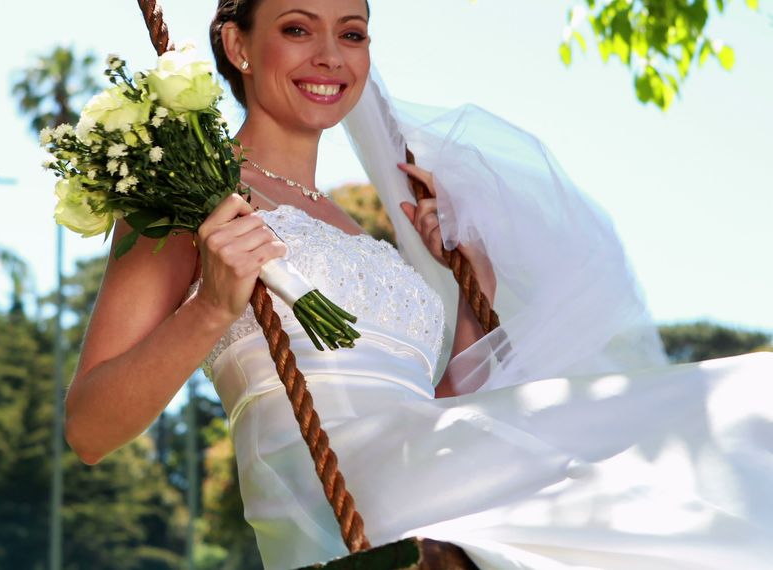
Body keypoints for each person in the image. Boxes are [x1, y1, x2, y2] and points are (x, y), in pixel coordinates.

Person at [64, 0, 773, 568]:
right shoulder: (192, 197)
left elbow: (434, 406)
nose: (330, 57)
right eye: (297, 29)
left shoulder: (362, 234)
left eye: (353, 33)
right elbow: (89, 429)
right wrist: (212, 307)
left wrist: (471, 294)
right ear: (238, 45)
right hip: (341, 497)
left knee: (699, 460)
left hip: (425, 463)